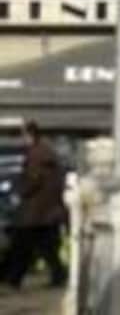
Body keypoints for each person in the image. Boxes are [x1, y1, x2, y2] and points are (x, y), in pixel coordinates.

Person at [0, 121, 67, 290]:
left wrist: (19, 193)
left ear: (29, 134)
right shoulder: (49, 153)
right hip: (48, 211)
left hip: (35, 211)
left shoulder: (36, 154)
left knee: (22, 246)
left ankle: (12, 278)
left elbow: (33, 179)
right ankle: (58, 275)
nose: (22, 139)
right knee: (46, 247)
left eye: (23, 135)